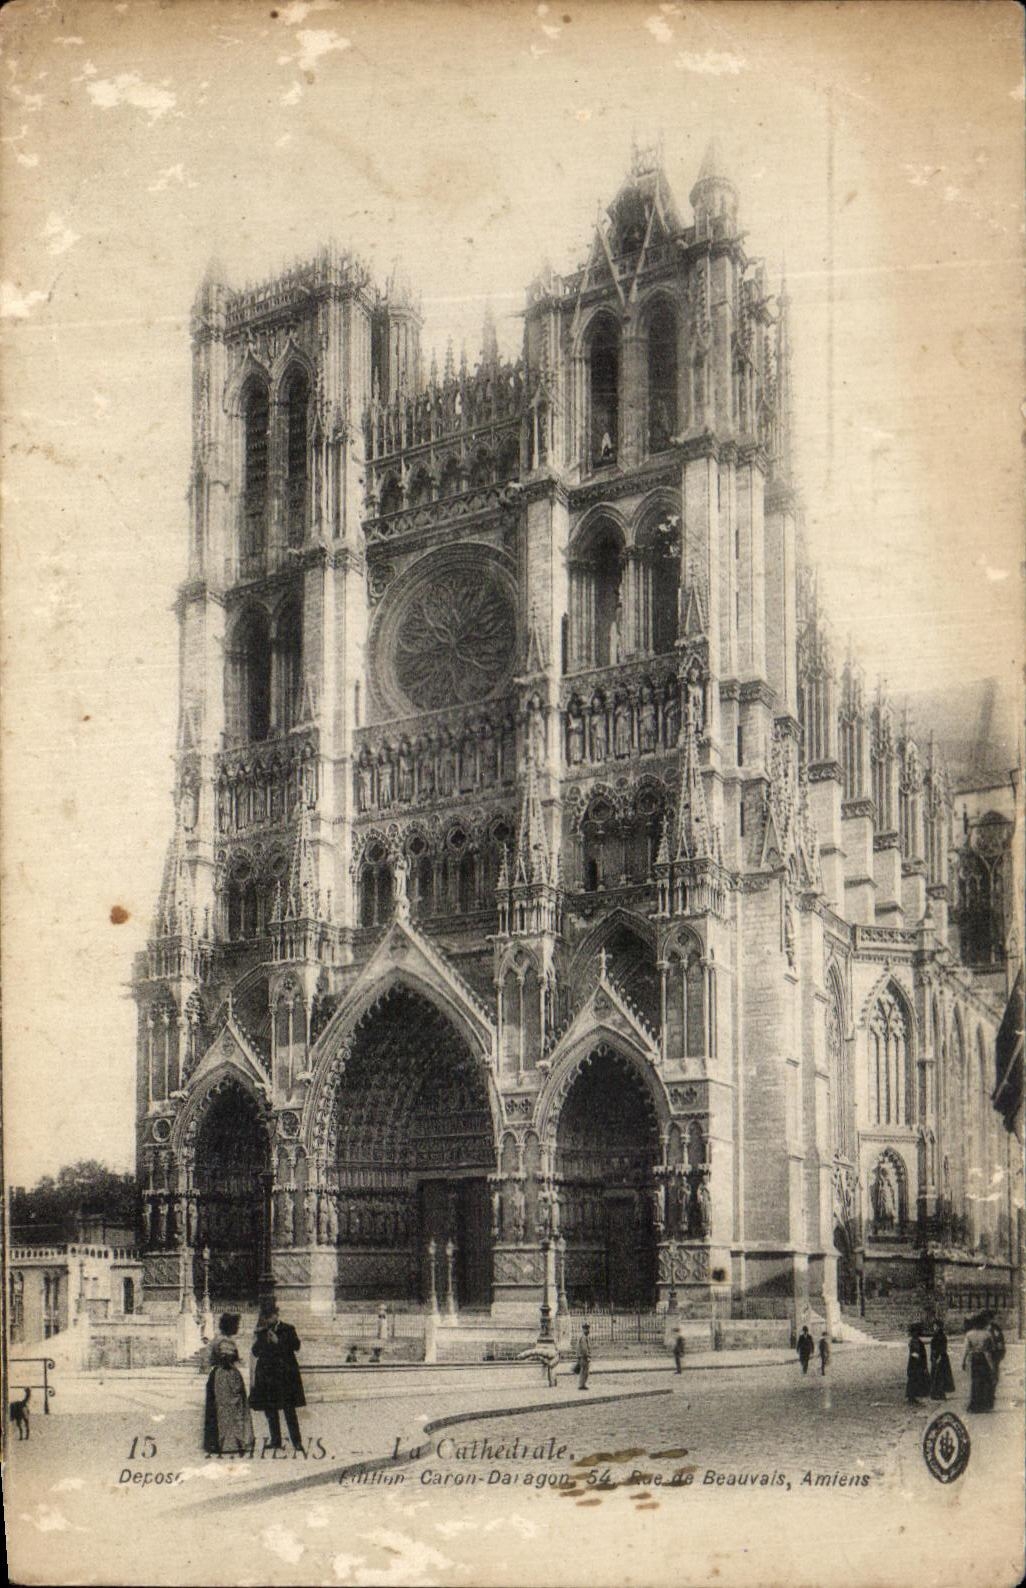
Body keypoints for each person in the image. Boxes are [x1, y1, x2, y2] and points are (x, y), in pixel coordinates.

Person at [250, 1302, 305, 1450]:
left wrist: (278, 1342)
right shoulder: (262, 1332)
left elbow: (296, 1346)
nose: (268, 1320)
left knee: (289, 1411)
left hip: (285, 1377)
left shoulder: (288, 1329)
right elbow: (255, 1352)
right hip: (268, 1378)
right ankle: (276, 1441)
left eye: (269, 1317)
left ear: (276, 1315)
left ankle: (297, 1442)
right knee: (271, 1410)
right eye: (265, 1318)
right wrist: (258, 1339)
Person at [203, 1314, 254, 1456]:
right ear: (230, 1326)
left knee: (220, 1409)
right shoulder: (226, 1342)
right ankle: (231, 1443)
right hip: (226, 1376)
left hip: (217, 1376)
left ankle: (218, 1443)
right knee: (230, 1409)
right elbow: (227, 1359)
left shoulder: (216, 1340)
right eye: (236, 1326)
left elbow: (210, 1359)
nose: (237, 1328)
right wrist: (235, 1360)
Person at [962, 1313, 997, 1412]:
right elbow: (992, 1349)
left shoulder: (969, 1334)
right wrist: (992, 1365)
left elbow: (966, 1350)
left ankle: (974, 1405)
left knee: (975, 1381)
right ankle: (984, 1405)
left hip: (974, 1358)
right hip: (984, 1358)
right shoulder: (987, 1334)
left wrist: (963, 1361)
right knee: (985, 1381)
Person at [929, 1321, 955, 1401]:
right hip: (936, 1357)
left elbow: (942, 1348)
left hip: (940, 1357)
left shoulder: (941, 1336)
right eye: (934, 1326)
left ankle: (939, 1393)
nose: (934, 1328)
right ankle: (936, 1393)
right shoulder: (937, 1335)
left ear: (939, 1327)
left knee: (939, 1376)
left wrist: (938, 1357)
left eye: (935, 1326)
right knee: (936, 1375)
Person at [906, 1322, 930, 1404]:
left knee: (915, 1379)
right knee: (913, 1379)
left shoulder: (916, 1341)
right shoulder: (914, 1341)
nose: (916, 1333)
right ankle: (911, 1397)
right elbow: (914, 1353)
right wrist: (919, 1359)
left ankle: (913, 1396)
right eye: (915, 1332)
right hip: (914, 1363)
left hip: (916, 1363)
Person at [576, 1323, 591, 1391]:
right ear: (583, 1329)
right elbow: (584, 1348)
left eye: (588, 1329)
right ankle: (582, 1384)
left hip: (582, 1356)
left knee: (584, 1371)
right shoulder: (583, 1338)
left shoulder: (583, 1337)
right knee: (584, 1371)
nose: (588, 1330)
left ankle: (582, 1384)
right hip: (583, 1357)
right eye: (586, 1329)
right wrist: (587, 1356)